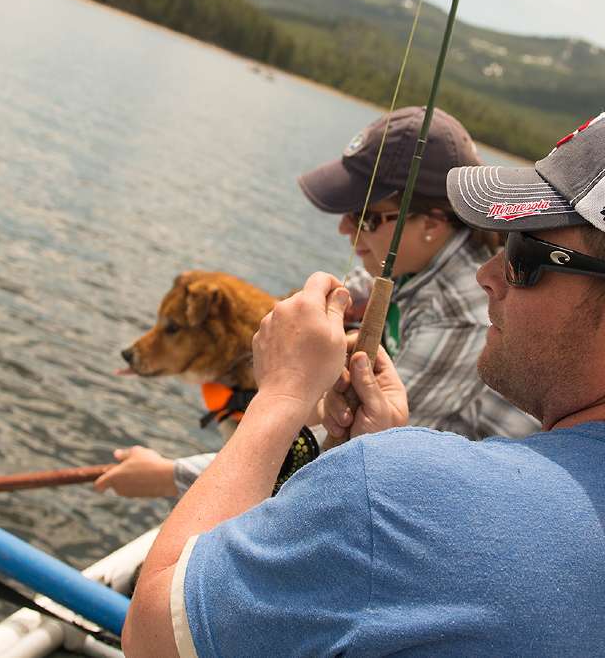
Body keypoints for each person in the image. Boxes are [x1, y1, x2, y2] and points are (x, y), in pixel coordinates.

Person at [120, 107, 605, 657]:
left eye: (526, 256)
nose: (488, 275)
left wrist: (281, 400)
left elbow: (155, 630)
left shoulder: (401, 493)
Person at [95, 107, 537, 499]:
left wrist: (167, 475)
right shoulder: (411, 263)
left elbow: (339, 452)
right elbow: (349, 291)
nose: (345, 231)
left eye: (365, 217)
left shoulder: (459, 318)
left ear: (432, 224)